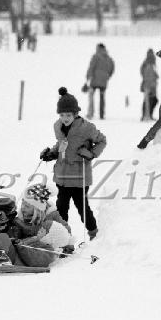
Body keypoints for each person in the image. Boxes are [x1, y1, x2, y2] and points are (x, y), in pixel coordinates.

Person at [39, 87, 107, 240]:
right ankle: (63, 238)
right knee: (61, 209)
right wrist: (51, 154)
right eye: (62, 115)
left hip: (79, 177)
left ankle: (94, 234)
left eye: (68, 115)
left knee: (82, 208)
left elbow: (102, 141)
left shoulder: (86, 128)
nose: (65, 118)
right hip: (62, 176)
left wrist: (90, 153)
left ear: (75, 114)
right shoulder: (58, 126)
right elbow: (61, 144)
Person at [85, 43, 114, 120]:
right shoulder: (108, 58)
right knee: (102, 97)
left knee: (91, 97)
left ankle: (90, 113)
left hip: (94, 80)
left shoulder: (95, 56)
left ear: (98, 48)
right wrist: (108, 76)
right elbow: (112, 68)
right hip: (104, 81)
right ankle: (102, 115)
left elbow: (91, 67)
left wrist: (88, 77)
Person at [140, 48, 159, 121]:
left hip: (150, 85)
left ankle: (147, 115)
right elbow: (148, 76)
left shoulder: (150, 64)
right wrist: (150, 86)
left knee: (150, 100)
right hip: (149, 86)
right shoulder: (149, 64)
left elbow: (144, 73)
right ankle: (146, 116)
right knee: (150, 100)